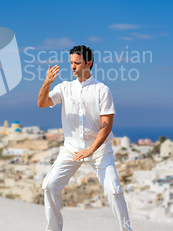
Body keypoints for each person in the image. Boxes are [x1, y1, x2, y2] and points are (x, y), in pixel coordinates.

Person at [37, 45, 133, 231]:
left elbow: (107, 125)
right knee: (49, 185)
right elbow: (42, 103)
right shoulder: (64, 88)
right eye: (71, 63)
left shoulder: (102, 90)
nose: (73, 67)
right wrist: (47, 82)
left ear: (88, 64)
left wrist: (90, 150)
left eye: (77, 63)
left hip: (99, 150)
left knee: (114, 191)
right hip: (71, 149)